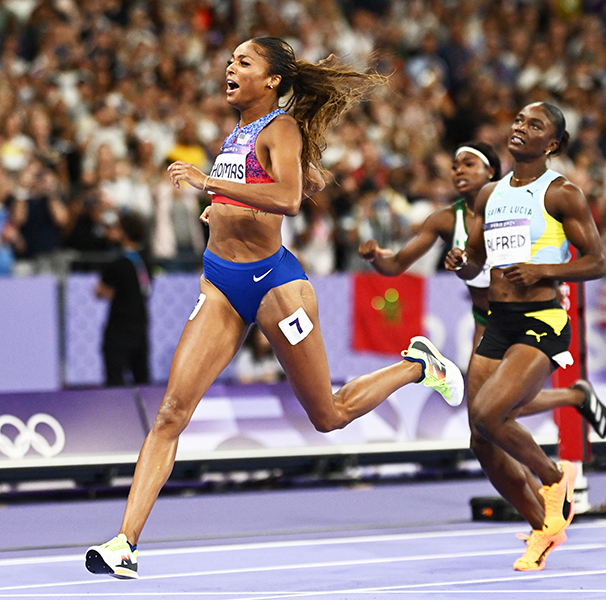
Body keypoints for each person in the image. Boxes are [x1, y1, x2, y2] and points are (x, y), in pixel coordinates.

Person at [85, 36, 463, 580]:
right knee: (170, 412)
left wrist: (208, 184)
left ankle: (417, 366)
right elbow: (269, 191)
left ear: (273, 81)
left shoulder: (280, 128)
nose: (229, 67)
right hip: (220, 282)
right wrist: (220, 214)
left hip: (273, 285)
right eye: (230, 60)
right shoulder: (236, 134)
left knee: (327, 415)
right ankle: (126, 542)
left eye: (244, 62)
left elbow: (286, 199)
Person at [445, 102, 606, 572]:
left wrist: (544, 269)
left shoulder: (562, 194)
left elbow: (596, 261)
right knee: (481, 436)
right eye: (518, 120)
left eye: (534, 125)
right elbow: (477, 262)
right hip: (498, 320)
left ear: (552, 144)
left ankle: (555, 481)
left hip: (543, 319)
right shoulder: (489, 195)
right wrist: (462, 264)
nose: (520, 127)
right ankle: (544, 526)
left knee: (489, 413)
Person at [359, 141, 606, 436]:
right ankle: (576, 397)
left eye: (468, 164)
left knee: (498, 407)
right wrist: (375, 257)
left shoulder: (521, 206)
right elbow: (396, 265)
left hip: (530, 317)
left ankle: (550, 462)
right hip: (485, 322)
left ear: (491, 171)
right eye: (454, 167)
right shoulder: (445, 220)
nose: (458, 171)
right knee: (482, 410)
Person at [95, 210, 152, 387]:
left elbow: (101, 291)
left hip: (119, 329)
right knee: (141, 377)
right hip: (140, 326)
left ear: (124, 233)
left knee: (115, 379)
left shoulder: (117, 264)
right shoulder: (146, 260)